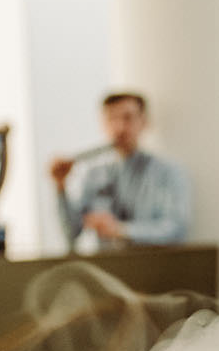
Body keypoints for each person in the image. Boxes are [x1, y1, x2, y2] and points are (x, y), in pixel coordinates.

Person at [49, 92, 192, 249]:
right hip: (106, 268)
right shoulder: (94, 174)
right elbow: (71, 233)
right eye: (112, 119)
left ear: (144, 122)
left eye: (127, 118)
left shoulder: (168, 172)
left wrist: (122, 230)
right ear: (102, 124)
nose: (120, 127)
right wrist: (60, 186)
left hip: (153, 267)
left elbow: (177, 230)